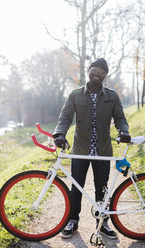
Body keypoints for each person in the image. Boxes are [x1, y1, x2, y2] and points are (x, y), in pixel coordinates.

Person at [53, 58, 131, 239]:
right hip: (80, 149)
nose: (97, 74)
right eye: (94, 70)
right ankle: (72, 220)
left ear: (105, 76)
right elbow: (65, 117)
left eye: (102, 72)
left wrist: (124, 131)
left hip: (103, 150)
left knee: (101, 187)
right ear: (89, 71)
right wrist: (59, 134)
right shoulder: (75, 94)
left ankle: (102, 224)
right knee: (76, 187)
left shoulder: (112, 96)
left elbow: (120, 118)